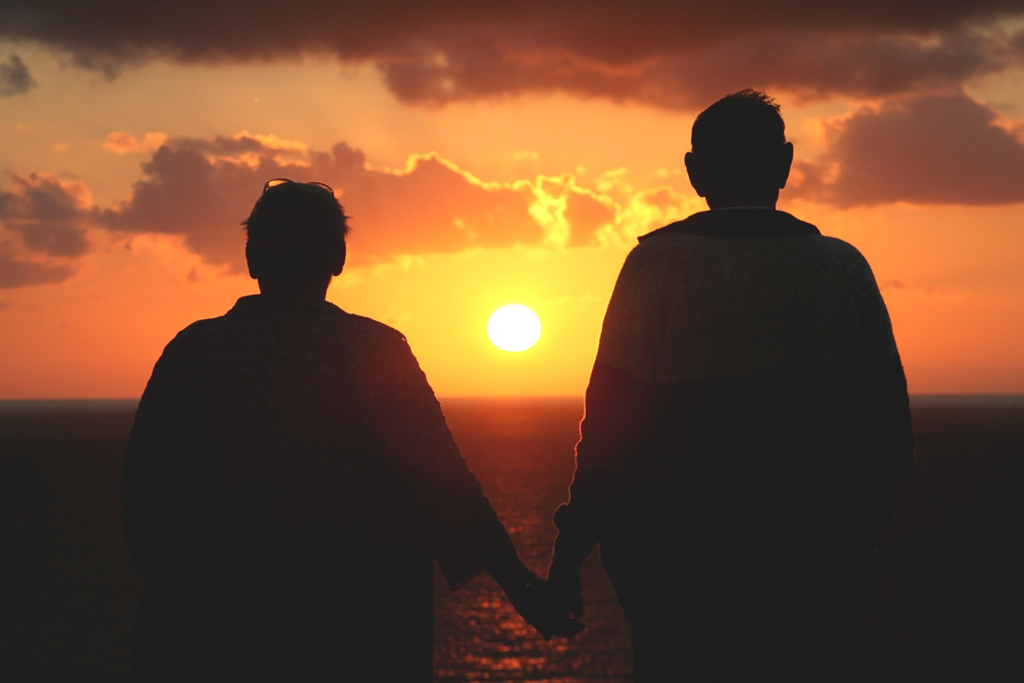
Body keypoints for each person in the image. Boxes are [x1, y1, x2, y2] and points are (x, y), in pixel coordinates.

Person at [122, 179, 581, 682]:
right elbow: (444, 484)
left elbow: (143, 498)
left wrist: (188, 602)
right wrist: (523, 589)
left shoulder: (191, 355)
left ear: (252, 259)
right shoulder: (375, 353)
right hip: (364, 636)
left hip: (210, 639)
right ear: (338, 256)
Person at [547, 90, 914, 680]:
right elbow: (888, 432)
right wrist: (850, 544)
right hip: (814, 563)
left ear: (695, 172)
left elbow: (610, 426)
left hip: (676, 567)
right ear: (785, 163)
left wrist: (570, 554)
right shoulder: (845, 269)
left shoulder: (653, 267)